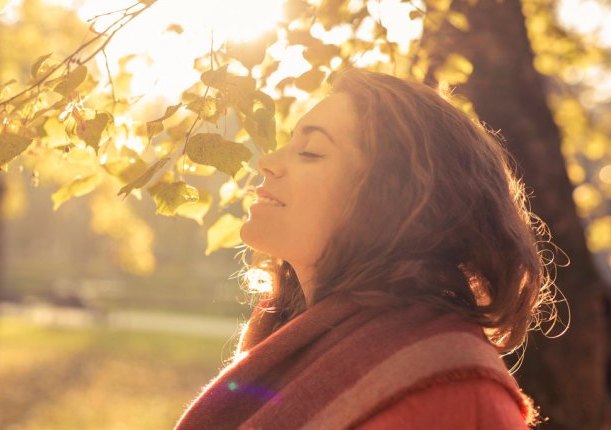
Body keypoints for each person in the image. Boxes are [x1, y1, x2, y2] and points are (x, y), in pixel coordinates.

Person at [174, 68, 561, 429]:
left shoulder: (451, 391)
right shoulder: (284, 345)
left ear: (395, 197)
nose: (268, 163)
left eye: (311, 151)